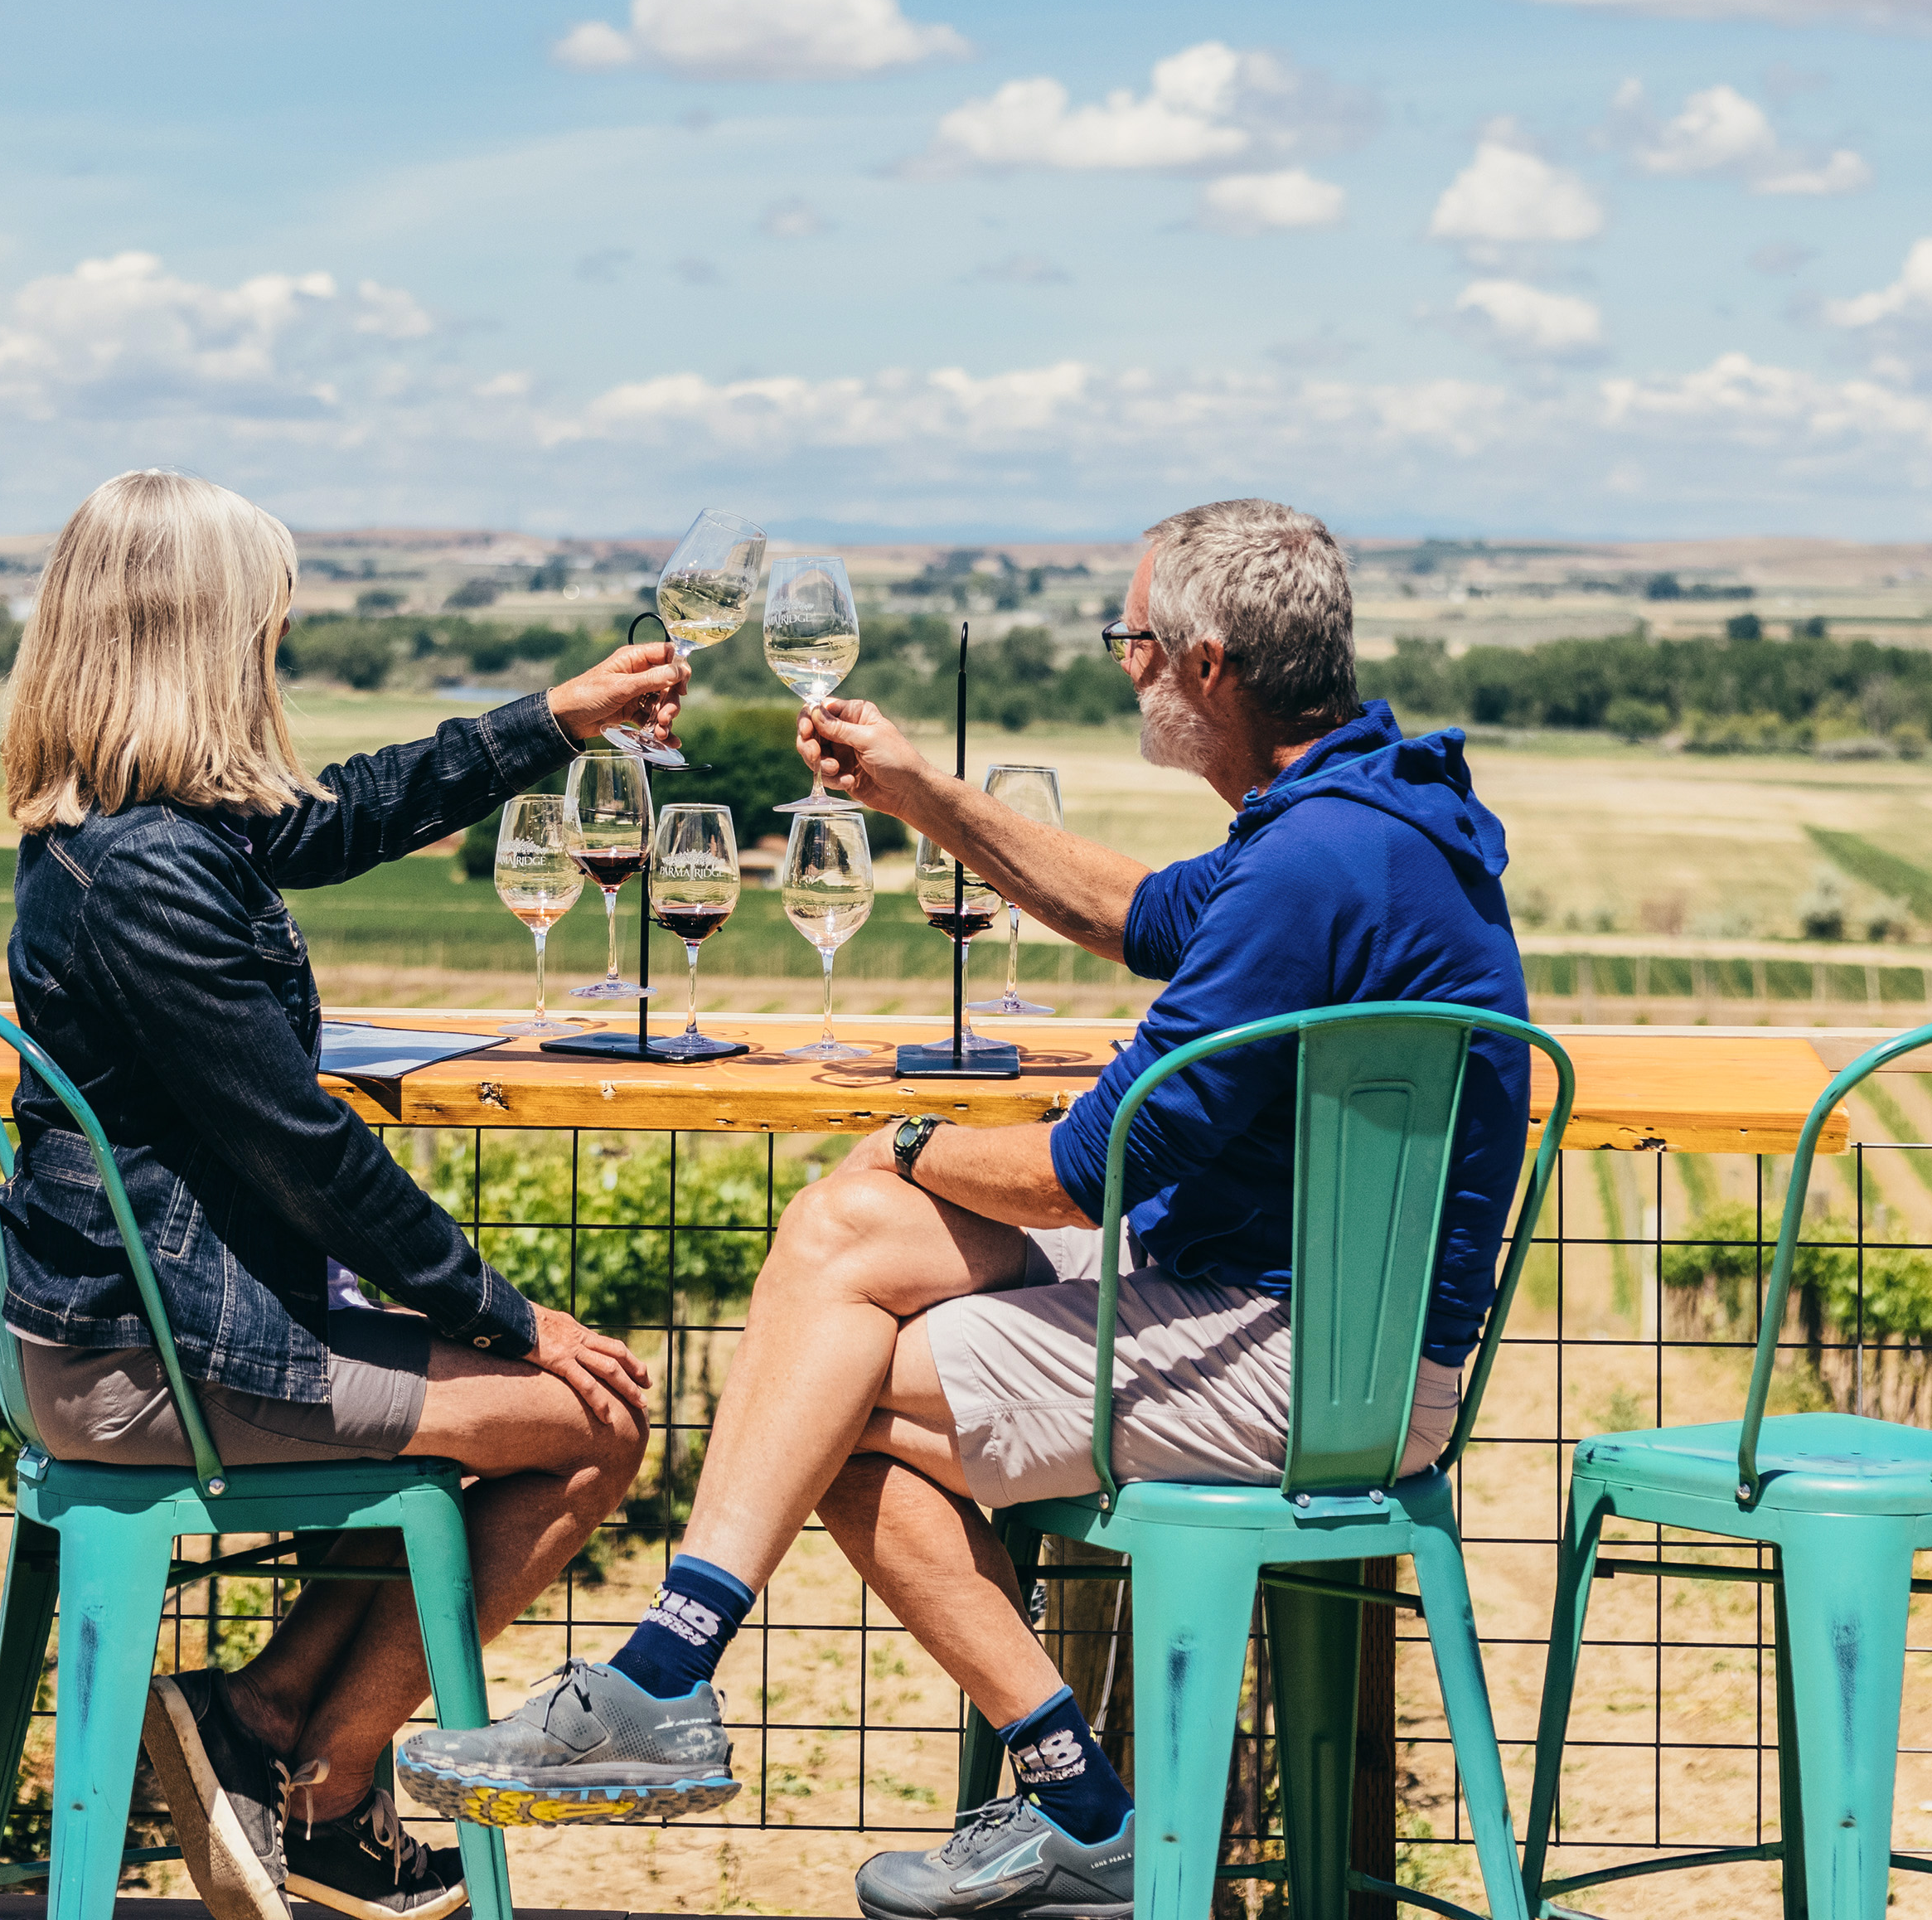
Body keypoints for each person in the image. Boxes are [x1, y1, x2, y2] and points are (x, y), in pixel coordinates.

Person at [395, 497, 1531, 1920]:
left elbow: (1079, 1167)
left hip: (1326, 1367)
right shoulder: (1355, 817)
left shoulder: (1311, 868)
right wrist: (920, 796)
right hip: (1287, 1303)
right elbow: (1147, 915)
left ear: (1211, 662)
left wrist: (916, 1133)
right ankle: (668, 1680)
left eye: (1135, 643)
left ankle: (1062, 1805)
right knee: (841, 1235)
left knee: (840, 1395)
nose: (1125, 670)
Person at [0, 469, 684, 1920]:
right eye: (265, 619)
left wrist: (551, 721)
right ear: (199, 639)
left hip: (135, 1324)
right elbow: (298, 1149)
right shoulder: (151, 879)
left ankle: (261, 1725)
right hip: (148, 1358)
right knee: (588, 1424)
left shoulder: (131, 832)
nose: (281, 641)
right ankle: (331, 1781)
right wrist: (510, 1315)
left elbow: (336, 818)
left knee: (512, 1408)